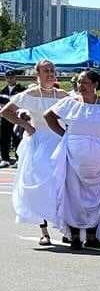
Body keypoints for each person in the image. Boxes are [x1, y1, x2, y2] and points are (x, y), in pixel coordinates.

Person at [41, 70, 100, 248]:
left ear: (95, 84)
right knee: (73, 195)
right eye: (79, 83)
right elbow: (49, 116)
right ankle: (74, 236)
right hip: (73, 157)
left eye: (85, 83)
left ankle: (92, 236)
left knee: (99, 196)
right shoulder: (69, 103)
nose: (81, 86)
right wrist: (64, 135)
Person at [0, 61, 67, 244]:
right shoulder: (29, 94)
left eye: (52, 70)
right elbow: (6, 112)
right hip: (39, 142)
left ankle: (65, 227)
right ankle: (44, 232)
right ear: (37, 74)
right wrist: (26, 126)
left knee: (61, 185)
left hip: (58, 142)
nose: (51, 73)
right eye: (46, 71)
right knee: (40, 184)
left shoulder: (63, 95)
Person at [1, 70, 27, 167]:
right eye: (8, 77)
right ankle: (5, 159)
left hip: (17, 118)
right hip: (5, 118)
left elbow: (23, 103)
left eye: (12, 77)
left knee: (17, 138)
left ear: (15, 78)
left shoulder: (21, 89)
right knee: (4, 138)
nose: (10, 79)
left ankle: (18, 159)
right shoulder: (3, 91)